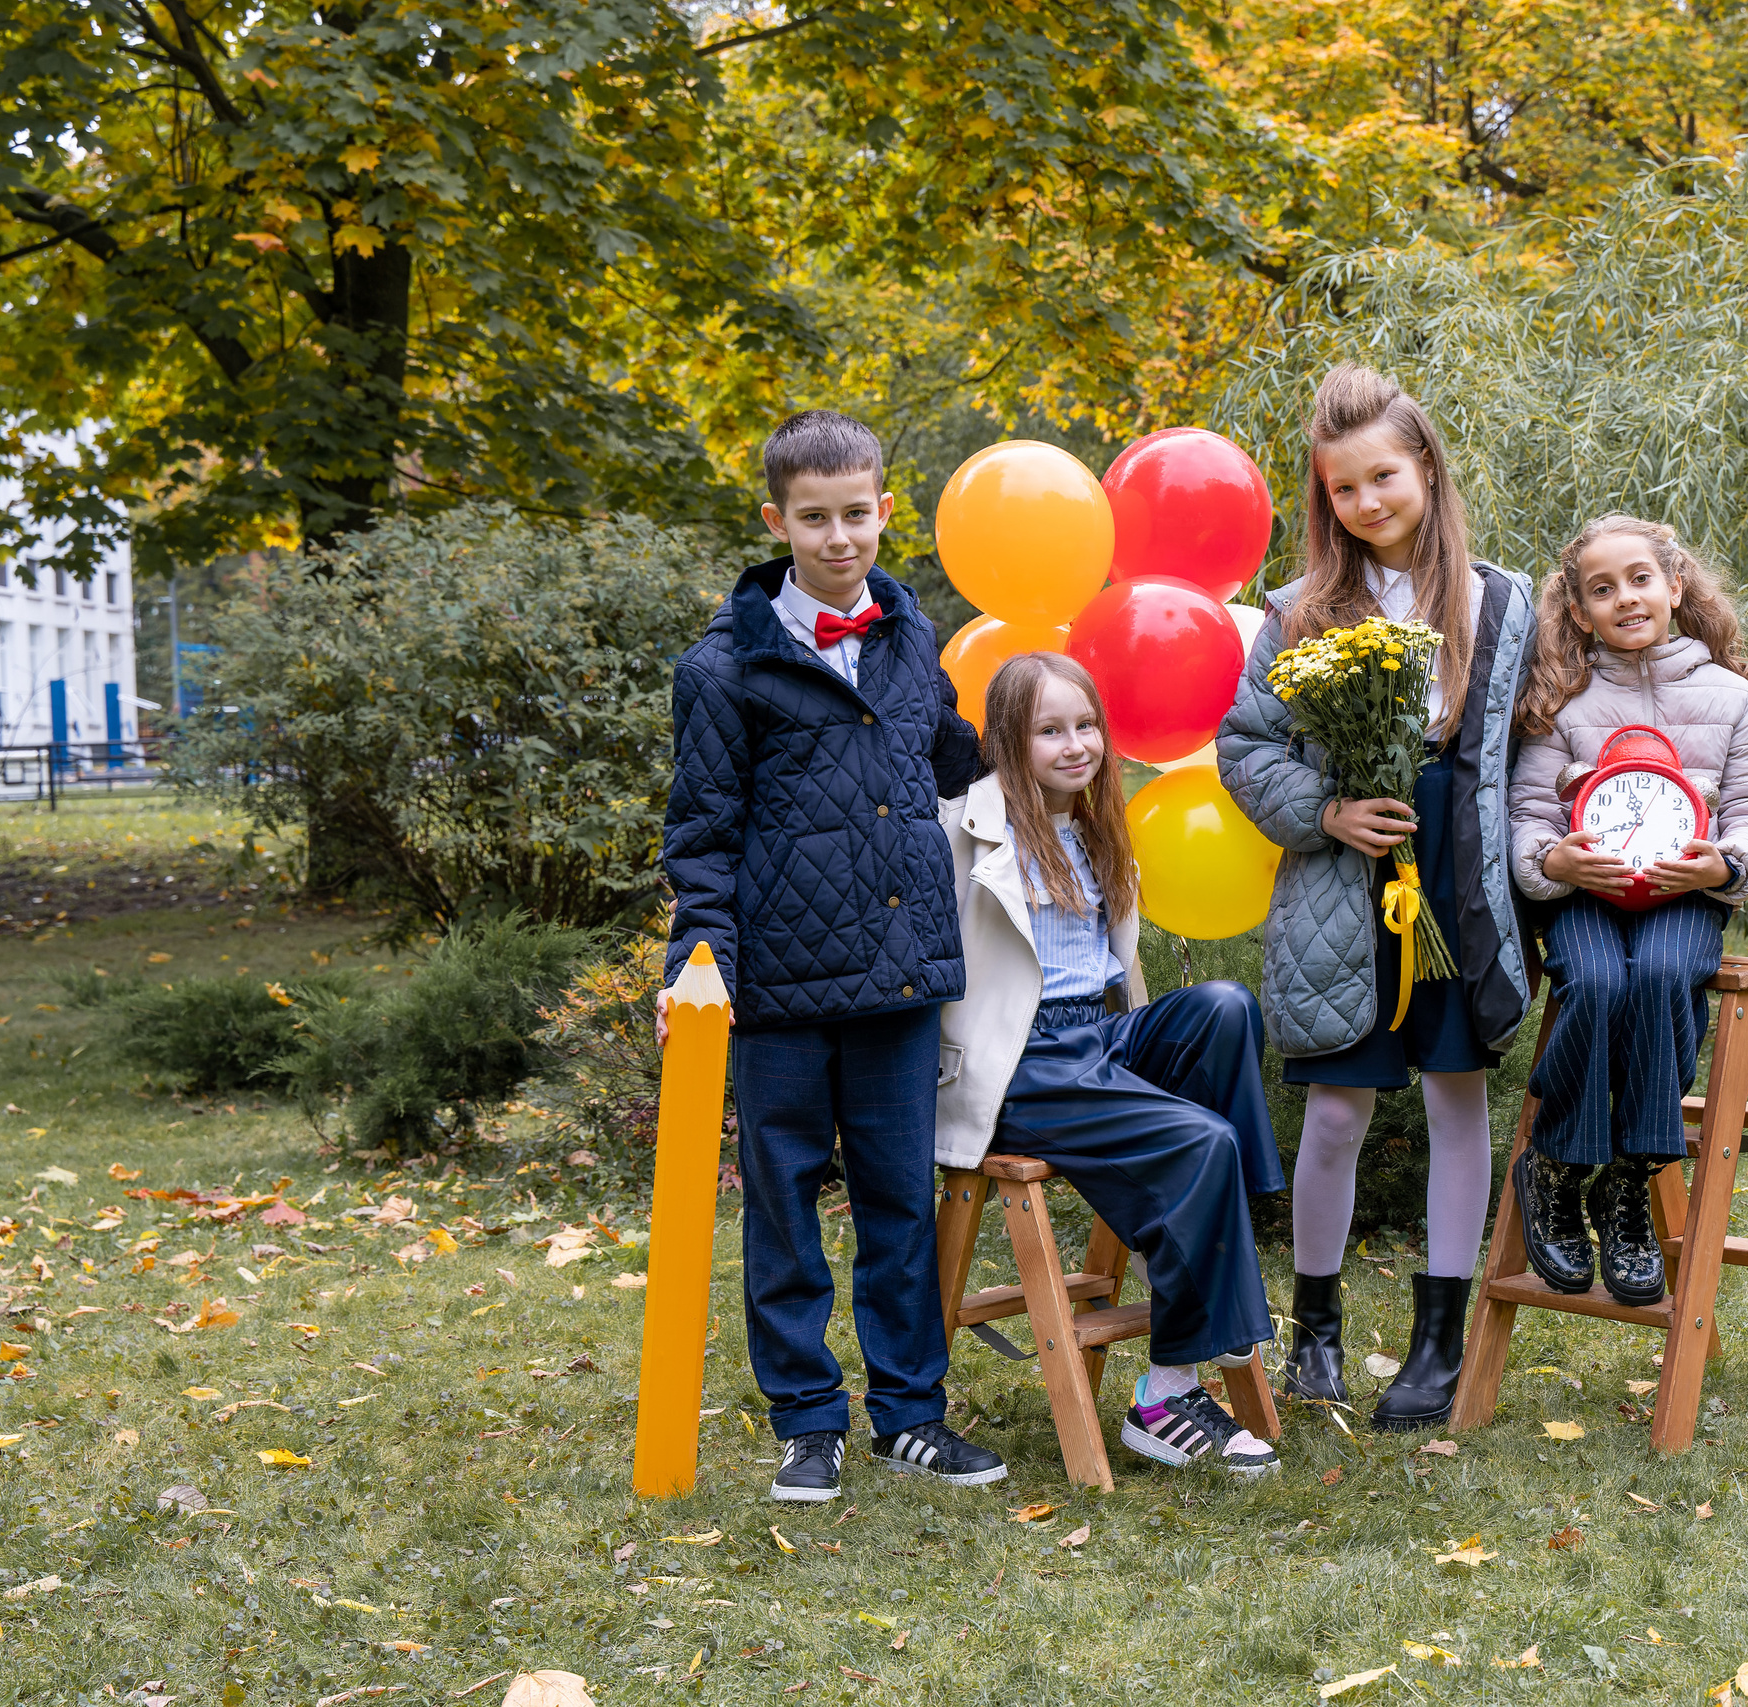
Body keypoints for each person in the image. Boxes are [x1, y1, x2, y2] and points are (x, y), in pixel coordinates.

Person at [656, 408, 1006, 1502]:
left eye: (857, 514)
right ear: (778, 521)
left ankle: (912, 1413)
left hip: (900, 973)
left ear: (885, 511)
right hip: (778, 994)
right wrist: (694, 965)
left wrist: (1053, 750)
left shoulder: (912, 637)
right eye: (815, 519)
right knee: (785, 1209)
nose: (839, 537)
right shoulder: (722, 671)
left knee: (902, 1203)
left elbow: (947, 759)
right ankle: (807, 1421)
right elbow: (702, 836)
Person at [1218, 364, 1536, 1432]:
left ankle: (1438, 1342)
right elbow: (1245, 744)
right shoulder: (1299, 611)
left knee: (1455, 1098)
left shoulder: (1498, 600)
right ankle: (1315, 1327)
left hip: (1454, 880)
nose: (1366, 503)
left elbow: (1538, 741)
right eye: (1342, 490)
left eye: (1383, 478)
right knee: (1340, 1111)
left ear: (1426, 469)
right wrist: (1325, 810)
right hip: (1343, 886)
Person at [937, 652, 1284, 1477]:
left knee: (1225, 1005)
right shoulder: (964, 827)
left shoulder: (1096, 823)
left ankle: (1225, 1222)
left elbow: (1109, 967)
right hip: (1023, 1063)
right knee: (1203, 1142)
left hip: (1098, 1038)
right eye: (1048, 730)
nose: (1074, 744)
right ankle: (1162, 1398)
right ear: (1009, 743)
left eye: (1085, 725)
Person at [1507, 514, 1748, 1304]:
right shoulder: (1561, 700)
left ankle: (1627, 1183)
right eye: (1603, 589)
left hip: (1679, 892)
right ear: (1579, 611)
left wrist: (1726, 863)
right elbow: (1529, 811)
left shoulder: (1731, 698)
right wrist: (1548, 860)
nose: (1625, 598)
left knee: (1667, 972)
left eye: (1640, 578)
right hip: (1587, 895)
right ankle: (1558, 1166)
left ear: (1675, 585)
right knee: (1595, 984)